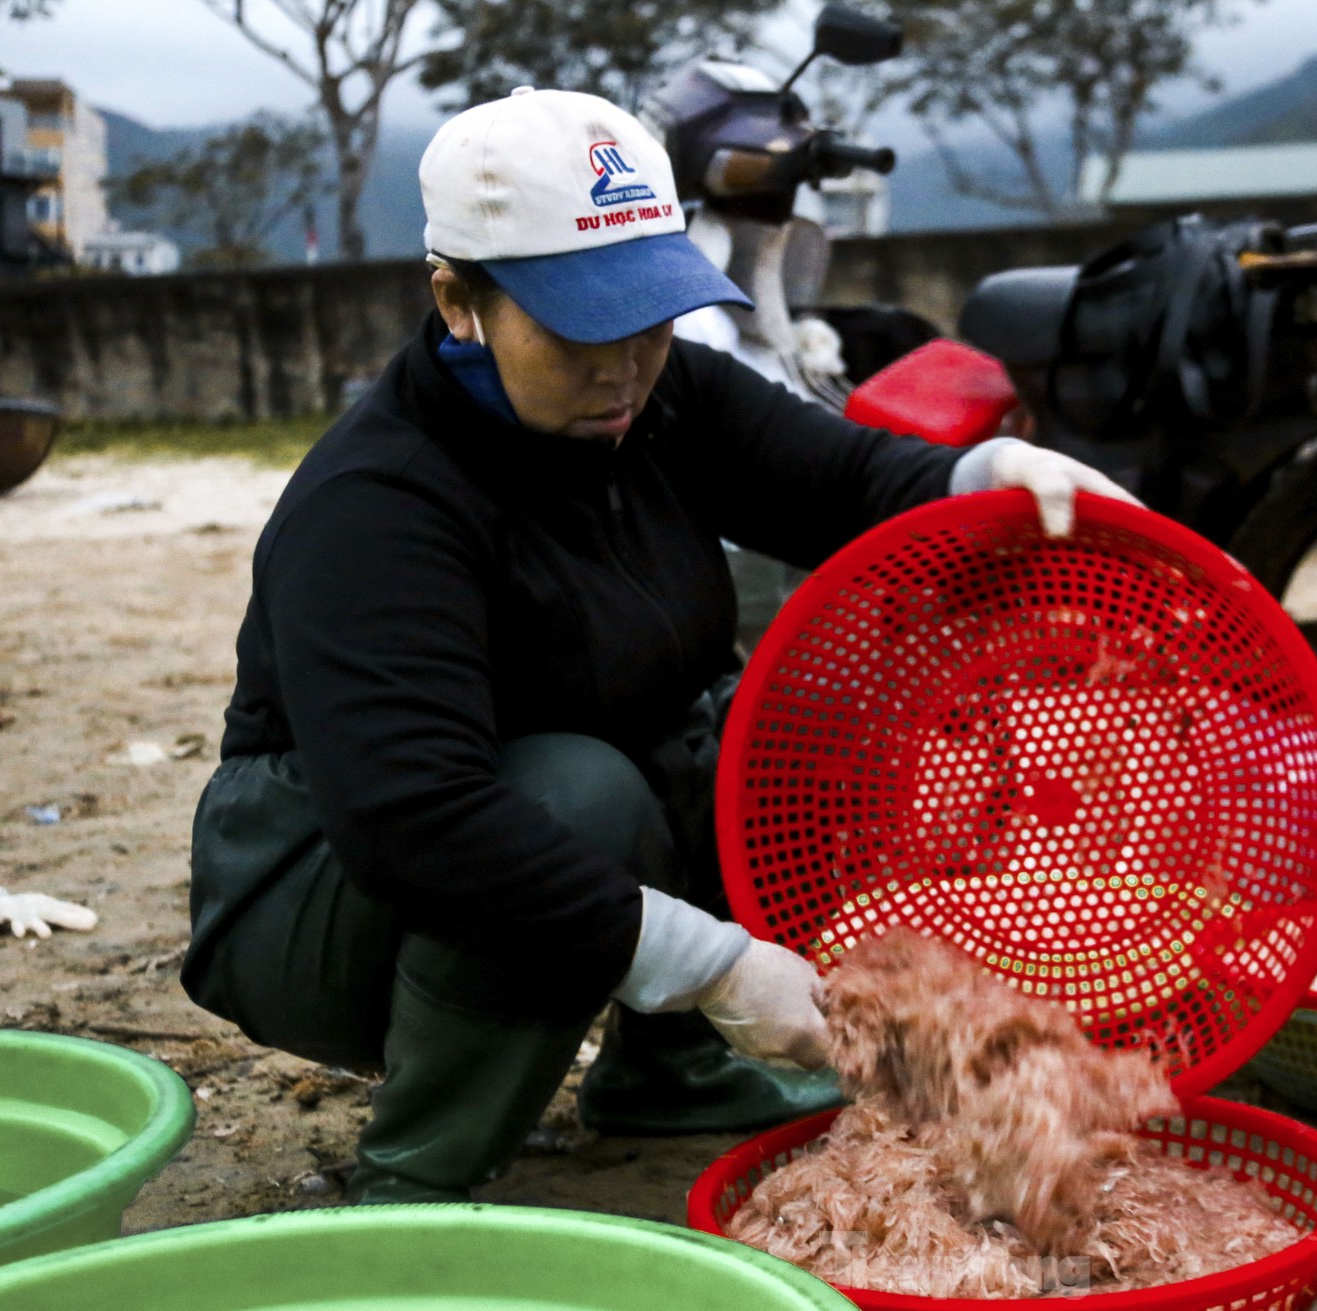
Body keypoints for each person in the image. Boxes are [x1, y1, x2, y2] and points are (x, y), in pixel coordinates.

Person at [180, 87, 1134, 1205]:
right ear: (457, 302)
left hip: (521, 830)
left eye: (650, 317)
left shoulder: (664, 396)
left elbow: (846, 481)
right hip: (325, 891)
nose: (625, 365)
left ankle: (667, 1073)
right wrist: (717, 965)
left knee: (796, 710)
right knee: (574, 791)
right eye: (581, 329)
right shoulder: (381, 504)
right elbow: (412, 816)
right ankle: (418, 1170)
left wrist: (990, 480)